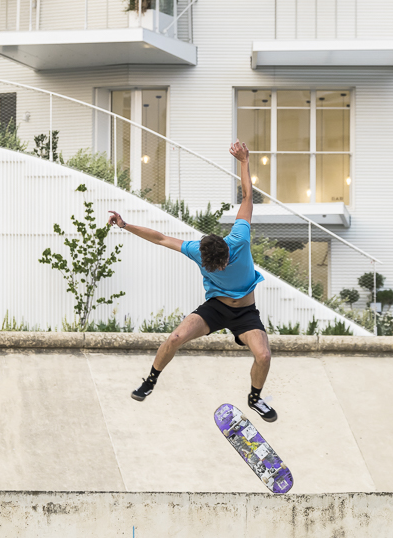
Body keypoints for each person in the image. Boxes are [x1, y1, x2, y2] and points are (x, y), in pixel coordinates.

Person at [108, 141, 277, 423]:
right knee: (175, 337)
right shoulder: (195, 250)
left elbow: (247, 197)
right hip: (215, 308)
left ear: (227, 250)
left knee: (264, 356)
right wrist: (126, 225)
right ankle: (150, 380)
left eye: (223, 264)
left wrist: (244, 161)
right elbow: (160, 238)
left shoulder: (240, 237)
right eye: (215, 267)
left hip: (246, 313)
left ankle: (255, 398)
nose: (221, 268)